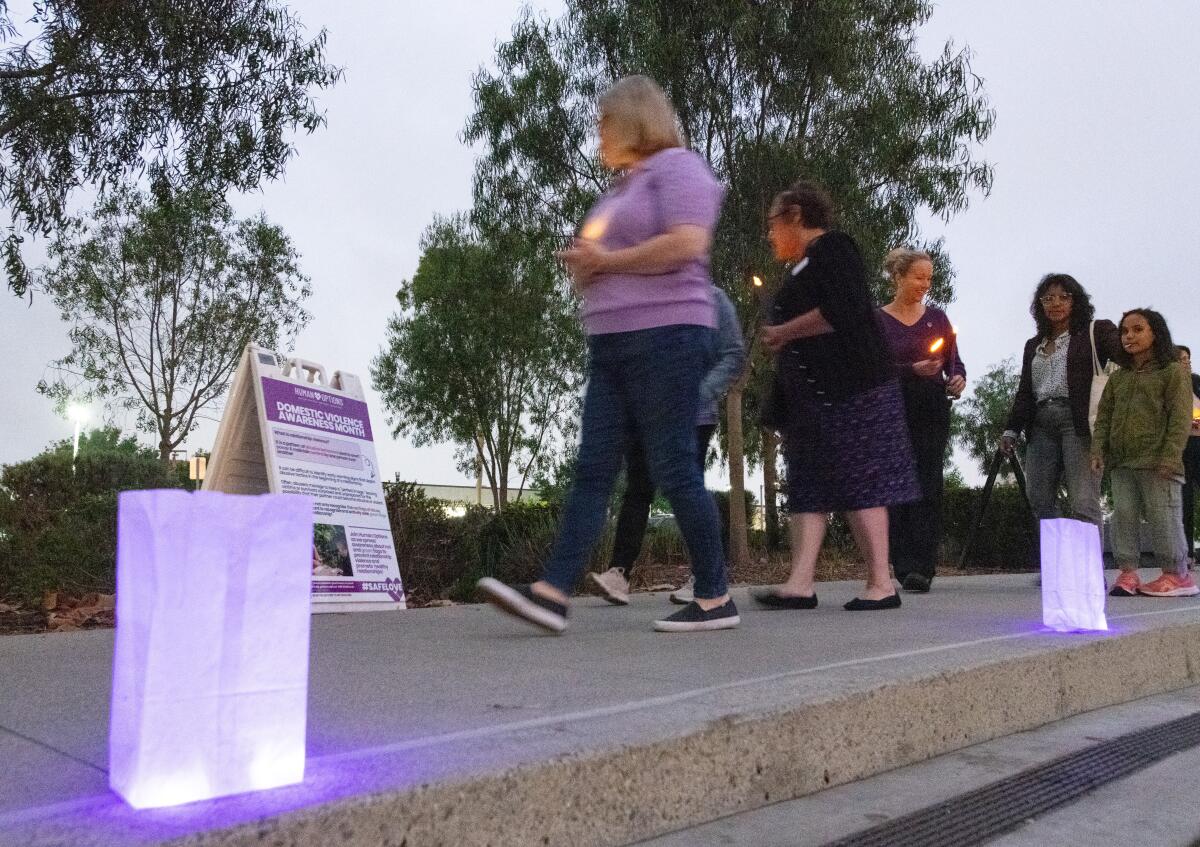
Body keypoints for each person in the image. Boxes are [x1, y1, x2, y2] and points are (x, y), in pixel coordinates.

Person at [476, 75, 738, 634]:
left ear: (634, 119)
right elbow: (612, 257)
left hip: (668, 335)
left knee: (673, 466)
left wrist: (607, 264)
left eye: (604, 120)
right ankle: (551, 592)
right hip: (612, 343)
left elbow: (688, 243)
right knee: (593, 468)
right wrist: (586, 264)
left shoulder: (680, 168)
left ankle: (716, 596)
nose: (597, 131)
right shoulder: (622, 188)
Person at [754, 181, 919, 612]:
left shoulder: (834, 248)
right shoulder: (798, 267)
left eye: (773, 222)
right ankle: (800, 582)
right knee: (809, 484)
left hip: (853, 388)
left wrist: (784, 332)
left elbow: (845, 309)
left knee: (860, 479)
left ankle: (882, 582)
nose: (770, 233)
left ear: (794, 216)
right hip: (811, 399)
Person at [589, 285, 745, 606]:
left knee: (689, 492)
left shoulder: (713, 300)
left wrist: (700, 393)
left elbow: (733, 354)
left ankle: (705, 577)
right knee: (637, 489)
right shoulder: (653, 300)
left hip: (694, 416)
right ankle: (619, 574)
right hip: (648, 415)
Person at [876, 248, 966, 592]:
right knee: (897, 482)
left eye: (929, 278)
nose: (925, 284)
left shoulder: (938, 318)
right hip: (892, 406)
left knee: (929, 480)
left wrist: (956, 377)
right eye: (918, 277)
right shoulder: (878, 320)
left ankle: (923, 567)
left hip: (931, 405)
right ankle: (903, 562)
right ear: (898, 277)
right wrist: (910, 370)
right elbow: (871, 367)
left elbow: (954, 361)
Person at [1001, 274, 1119, 528]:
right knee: (1039, 498)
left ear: (1076, 301)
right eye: (1048, 298)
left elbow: (1125, 352)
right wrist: (1011, 429)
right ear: (1040, 305)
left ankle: (1088, 567)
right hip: (1041, 423)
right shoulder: (1034, 345)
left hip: (1078, 422)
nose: (1056, 303)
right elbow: (1025, 390)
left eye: (1064, 297)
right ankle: (1058, 562)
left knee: (1083, 500)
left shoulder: (1093, 332)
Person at [1091, 309, 1195, 597]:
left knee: (1164, 517)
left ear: (1156, 334)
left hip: (1158, 462)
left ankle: (1177, 575)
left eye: (1138, 330)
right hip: (1123, 463)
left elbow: (1180, 419)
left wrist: (1171, 457)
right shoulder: (1119, 378)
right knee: (1123, 515)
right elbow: (1104, 417)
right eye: (1125, 331)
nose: (1129, 336)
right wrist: (1099, 449)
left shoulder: (1172, 372)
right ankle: (1128, 573)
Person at [1176, 345, 1200, 564]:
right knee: (1184, 500)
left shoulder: (1197, 382)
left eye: (1188, 359)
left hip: (1199, 442)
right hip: (1181, 446)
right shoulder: (1169, 386)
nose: (1187, 362)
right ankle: (1187, 554)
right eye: (1182, 359)